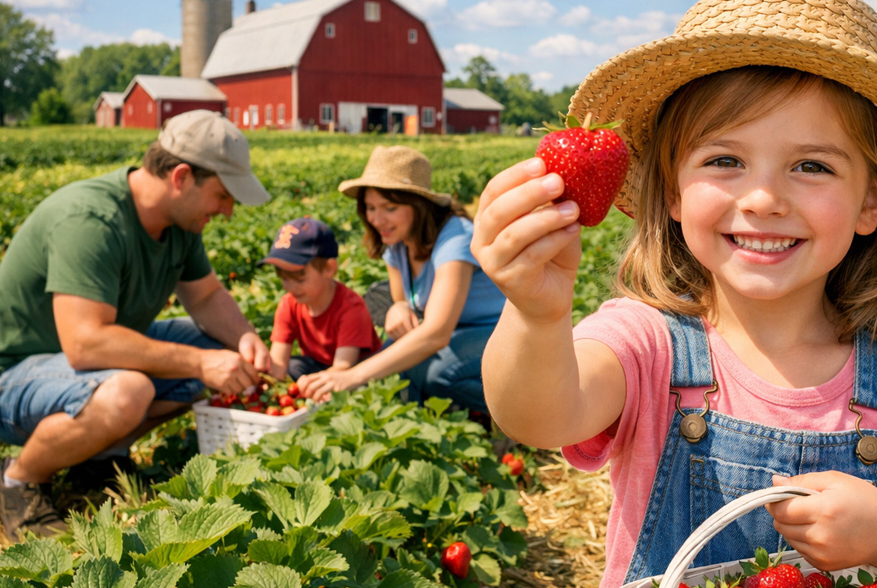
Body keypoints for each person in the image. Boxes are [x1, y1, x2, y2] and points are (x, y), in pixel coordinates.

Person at [469, 0, 877, 588]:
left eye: (812, 166)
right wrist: (535, 316)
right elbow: (535, 414)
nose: (763, 197)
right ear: (672, 189)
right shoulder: (646, 343)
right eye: (725, 159)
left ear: (874, 199)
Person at [0, 109, 273, 539]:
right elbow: (84, 344)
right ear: (181, 176)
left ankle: (99, 457)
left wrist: (246, 339)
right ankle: (18, 481)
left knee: (219, 351)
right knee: (132, 390)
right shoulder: (91, 220)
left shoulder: (179, 223)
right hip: (14, 374)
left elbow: (205, 297)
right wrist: (200, 364)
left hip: (82, 368)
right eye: (223, 196)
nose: (227, 212)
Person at [297, 146, 505, 415]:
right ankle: (434, 418)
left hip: (495, 330)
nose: (377, 219)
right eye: (370, 208)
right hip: (455, 331)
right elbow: (399, 297)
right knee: (391, 362)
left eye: (390, 207)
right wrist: (398, 306)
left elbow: (436, 333)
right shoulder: (397, 240)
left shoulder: (455, 238)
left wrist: (352, 376)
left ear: (419, 205)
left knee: (436, 374)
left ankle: (520, 415)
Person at [262, 217, 382, 381]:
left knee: (361, 385)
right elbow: (278, 363)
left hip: (356, 369)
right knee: (293, 366)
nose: (289, 286)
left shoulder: (351, 307)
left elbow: (343, 367)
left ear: (328, 269)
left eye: (299, 279)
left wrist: (310, 385)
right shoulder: (288, 304)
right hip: (319, 365)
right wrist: (266, 385)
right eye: (283, 278)